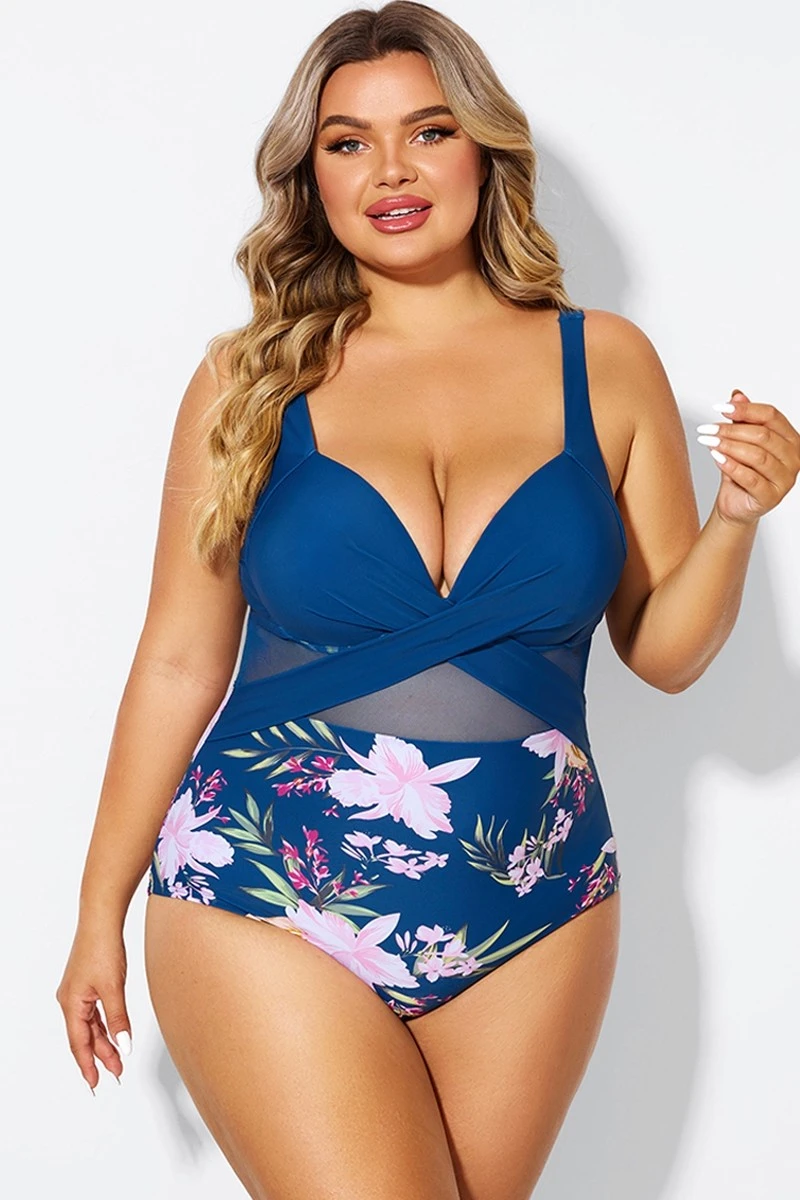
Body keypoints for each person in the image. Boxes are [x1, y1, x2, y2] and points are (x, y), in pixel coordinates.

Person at [55, 3, 799, 1197]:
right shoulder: (249, 380)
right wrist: (97, 909)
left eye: (428, 131)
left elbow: (662, 652)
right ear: (310, 177)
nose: (390, 171)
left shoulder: (604, 363)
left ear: (482, 151)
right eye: (347, 142)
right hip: (266, 882)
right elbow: (177, 662)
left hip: (536, 901)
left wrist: (735, 519)